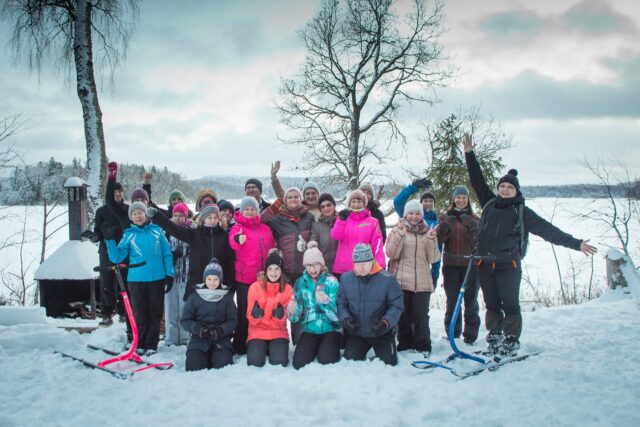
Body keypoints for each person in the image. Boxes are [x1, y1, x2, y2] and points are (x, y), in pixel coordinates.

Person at [463, 133, 597, 355]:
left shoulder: (523, 212)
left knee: (510, 304)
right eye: (502, 186)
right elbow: (476, 179)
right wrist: (469, 154)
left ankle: (511, 338)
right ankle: (495, 335)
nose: (505, 189)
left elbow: (550, 232)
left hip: (509, 265)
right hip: (485, 264)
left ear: (516, 191)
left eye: (509, 187)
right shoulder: (489, 203)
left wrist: (577, 244)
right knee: (492, 303)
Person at [103, 201, 174, 356]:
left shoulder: (157, 232)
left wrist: (170, 274)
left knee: (155, 312)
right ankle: (140, 343)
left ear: (145, 214)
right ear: (131, 218)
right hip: (136, 280)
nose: (137, 216)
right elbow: (116, 258)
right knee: (140, 313)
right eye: (134, 214)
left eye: (140, 213)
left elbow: (167, 254)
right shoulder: (129, 235)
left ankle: (151, 344)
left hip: (157, 278)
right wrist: (109, 240)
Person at [147, 203, 235, 303]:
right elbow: (174, 229)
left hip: (218, 285)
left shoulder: (224, 236)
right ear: (203, 219)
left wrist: (230, 288)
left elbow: (230, 263)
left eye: (215, 217)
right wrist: (157, 215)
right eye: (209, 217)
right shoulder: (194, 234)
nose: (213, 220)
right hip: (196, 284)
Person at [385, 200, 440, 355]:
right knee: (404, 315)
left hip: (422, 282)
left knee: (421, 316)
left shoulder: (428, 231)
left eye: (417, 213)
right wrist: (401, 234)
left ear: (421, 215)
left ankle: (423, 345)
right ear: (405, 214)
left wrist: (431, 240)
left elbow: (434, 258)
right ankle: (405, 343)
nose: (414, 216)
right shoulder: (397, 230)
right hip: (402, 281)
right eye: (411, 213)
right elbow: (391, 253)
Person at [337, 244, 404, 366]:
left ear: (372, 261)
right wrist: (346, 320)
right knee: (350, 361)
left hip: (381, 331)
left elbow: (396, 305)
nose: (360, 267)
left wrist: (386, 323)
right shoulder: (346, 279)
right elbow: (341, 303)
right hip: (358, 332)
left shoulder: (388, 279)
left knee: (389, 363)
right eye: (357, 264)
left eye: (364, 263)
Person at [228, 196, 276, 355]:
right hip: (245, 279)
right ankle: (240, 344)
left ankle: (263, 341)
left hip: (264, 278)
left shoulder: (264, 228)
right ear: (242, 211)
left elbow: (272, 247)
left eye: (253, 209)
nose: (249, 211)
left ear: (257, 210)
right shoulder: (238, 227)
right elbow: (232, 241)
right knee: (244, 312)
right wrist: (237, 239)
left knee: (264, 311)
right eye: (246, 209)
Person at [436, 185, 481, 344]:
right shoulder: (446, 218)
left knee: (471, 300)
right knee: (452, 300)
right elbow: (438, 240)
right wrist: (443, 227)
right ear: (453, 199)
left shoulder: (475, 219)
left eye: (464, 197)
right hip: (451, 265)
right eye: (458, 197)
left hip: (471, 265)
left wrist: (473, 226)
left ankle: (470, 335)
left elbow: (480, 240)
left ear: (468, 200)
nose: (461, 200)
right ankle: (452, 333)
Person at [288, 246, 341, 369]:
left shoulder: (332, 282)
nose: (312, 269)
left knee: (327, 360)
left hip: (330, 329)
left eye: (315, 265)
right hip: (310, 330)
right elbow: (295, 318)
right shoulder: (300, 283)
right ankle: (315, 346)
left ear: (321, 265)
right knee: (299, 363)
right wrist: (292, 311)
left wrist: (325, 302)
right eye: (308, 265)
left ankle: (326, 346)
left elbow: (337, 316)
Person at [181, 258, 237, 371]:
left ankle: (215, 356)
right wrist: (197, 329)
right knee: (194, 367)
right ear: (204, 279)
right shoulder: (194, 297)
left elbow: (233, 320)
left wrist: (221, 330)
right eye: (209, 279)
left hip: (220, 338)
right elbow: (185, 320)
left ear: (220, 280)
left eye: (216, 279)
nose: (212, 282)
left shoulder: (227, 298)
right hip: (199, 337)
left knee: (224, 366)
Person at [246, 250, 293, 367]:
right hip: (258, 331)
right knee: (255, 362)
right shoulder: (255, 287)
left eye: (277, 268)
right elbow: (249, 316)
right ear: (266, 271)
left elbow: (287, 317)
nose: (273, 272)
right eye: (270, 269)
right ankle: (262, 348)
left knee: (279, 362)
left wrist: (280, 316)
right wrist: (255, 315)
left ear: (281, 271)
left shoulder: (287, 289)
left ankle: (271, 349)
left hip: (278, 332)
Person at [393, 178, 442, 287]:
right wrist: (413, 187)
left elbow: (437, 251)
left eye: (431, 201)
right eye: (425, 201)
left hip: (422, 274)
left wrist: (435, 275)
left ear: (434, 204)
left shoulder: (436, 224)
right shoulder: (409, 217)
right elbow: (397, 202)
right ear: (421, 203)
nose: (428, 203)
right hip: (403, 273)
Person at [331, 189, 385, 277]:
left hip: (363, 268)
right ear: (349, 203)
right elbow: (335, 236)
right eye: (353, 201)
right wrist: (341, 221)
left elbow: (377, 245)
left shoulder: (373, 222)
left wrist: (381, 265)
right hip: (343, 268)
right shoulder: (343, 219)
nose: (356, 204)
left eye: (359, 201)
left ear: (364, 203)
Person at [164, 202, 191, 346]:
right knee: (170, 309)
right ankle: (171, 339)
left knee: (184, 308)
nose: (178, 218)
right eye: (175, 215)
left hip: (186, 277)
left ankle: (185, 338)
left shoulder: (190, 231)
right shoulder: (167, 232)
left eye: (181, 216)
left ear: (186, 217)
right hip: (171, 277)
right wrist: (172, 255)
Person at [309, 193, 338, 273]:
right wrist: (312, 244)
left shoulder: (342, 222)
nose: (326, 208)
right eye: (323, 206)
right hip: (324, 269)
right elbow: (313, 240)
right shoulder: (316, 226)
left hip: (341, 267)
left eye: (329, 205)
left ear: (334, 206)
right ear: (320, 209)